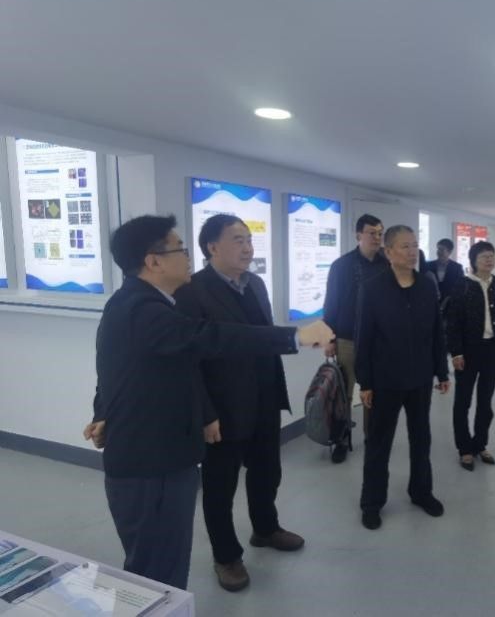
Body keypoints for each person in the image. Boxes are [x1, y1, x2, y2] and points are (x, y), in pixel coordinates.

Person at [84, 215, 333, 590]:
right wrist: (295, 337)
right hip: (154, 463)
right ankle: (220, 561)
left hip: (166, 453)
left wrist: (104, 413)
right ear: (154, 261)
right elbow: (211, 338)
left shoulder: (140, 303)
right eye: (180, 248)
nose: (187, 256)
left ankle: (263, 529)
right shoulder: (146, 309)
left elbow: (119, 369)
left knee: (160, 569)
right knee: (158, 575)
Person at [173, 215, 302, 592]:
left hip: (264, 397)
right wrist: (205, 413)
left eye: (249, 239)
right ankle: (226, 556)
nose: (248, 248)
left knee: (267, 471)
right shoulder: (192, 291)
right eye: (238, 240)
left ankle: (266, 528)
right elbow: (189, 361)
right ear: (212, 247)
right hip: (224, 408)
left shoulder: (255, 284)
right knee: (220, 486)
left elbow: (263, 337)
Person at [355, 225, 450, 530]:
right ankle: (372, 502)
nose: (412, 252)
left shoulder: (426, 286)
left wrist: (442, 370)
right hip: (385, 380)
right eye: (404, 246)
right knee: (378, 443)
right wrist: (365, 382)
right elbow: (364, 338)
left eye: (414, 245)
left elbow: (436, 332)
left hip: (420, 377)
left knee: (421, 439)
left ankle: (421, 492)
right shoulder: (372, 288)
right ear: (388, 252)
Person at [323, 214, 389, 462]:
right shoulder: (342, 266)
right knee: (344, 393)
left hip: (378, 341)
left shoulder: (386, 264)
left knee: (375, 392)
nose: (377, 238)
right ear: (358, 235)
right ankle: (341, 439)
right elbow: (331, 303)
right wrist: (330, 338)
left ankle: (372, 437)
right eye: (372, 233)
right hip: (347, 338)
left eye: (380, 233)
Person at [446, 241, 495, 470]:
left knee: (486, 402)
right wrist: (456, 352)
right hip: (468, 351)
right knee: (463, 402)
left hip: (492, 350)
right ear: (474, 260)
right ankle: (464, 448)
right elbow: (453, 322)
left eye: (492, 256)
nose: (489, 260)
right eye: (484, 256)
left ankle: (480, 444)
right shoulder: (462, 285)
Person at [425, 238, 464, 307]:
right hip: (431, 302)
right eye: (438, 249)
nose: (438, 252)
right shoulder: (428, 265)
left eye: (442, 249)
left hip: (450, 303)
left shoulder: (457, 268)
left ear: (450, 252)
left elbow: (460, 287)